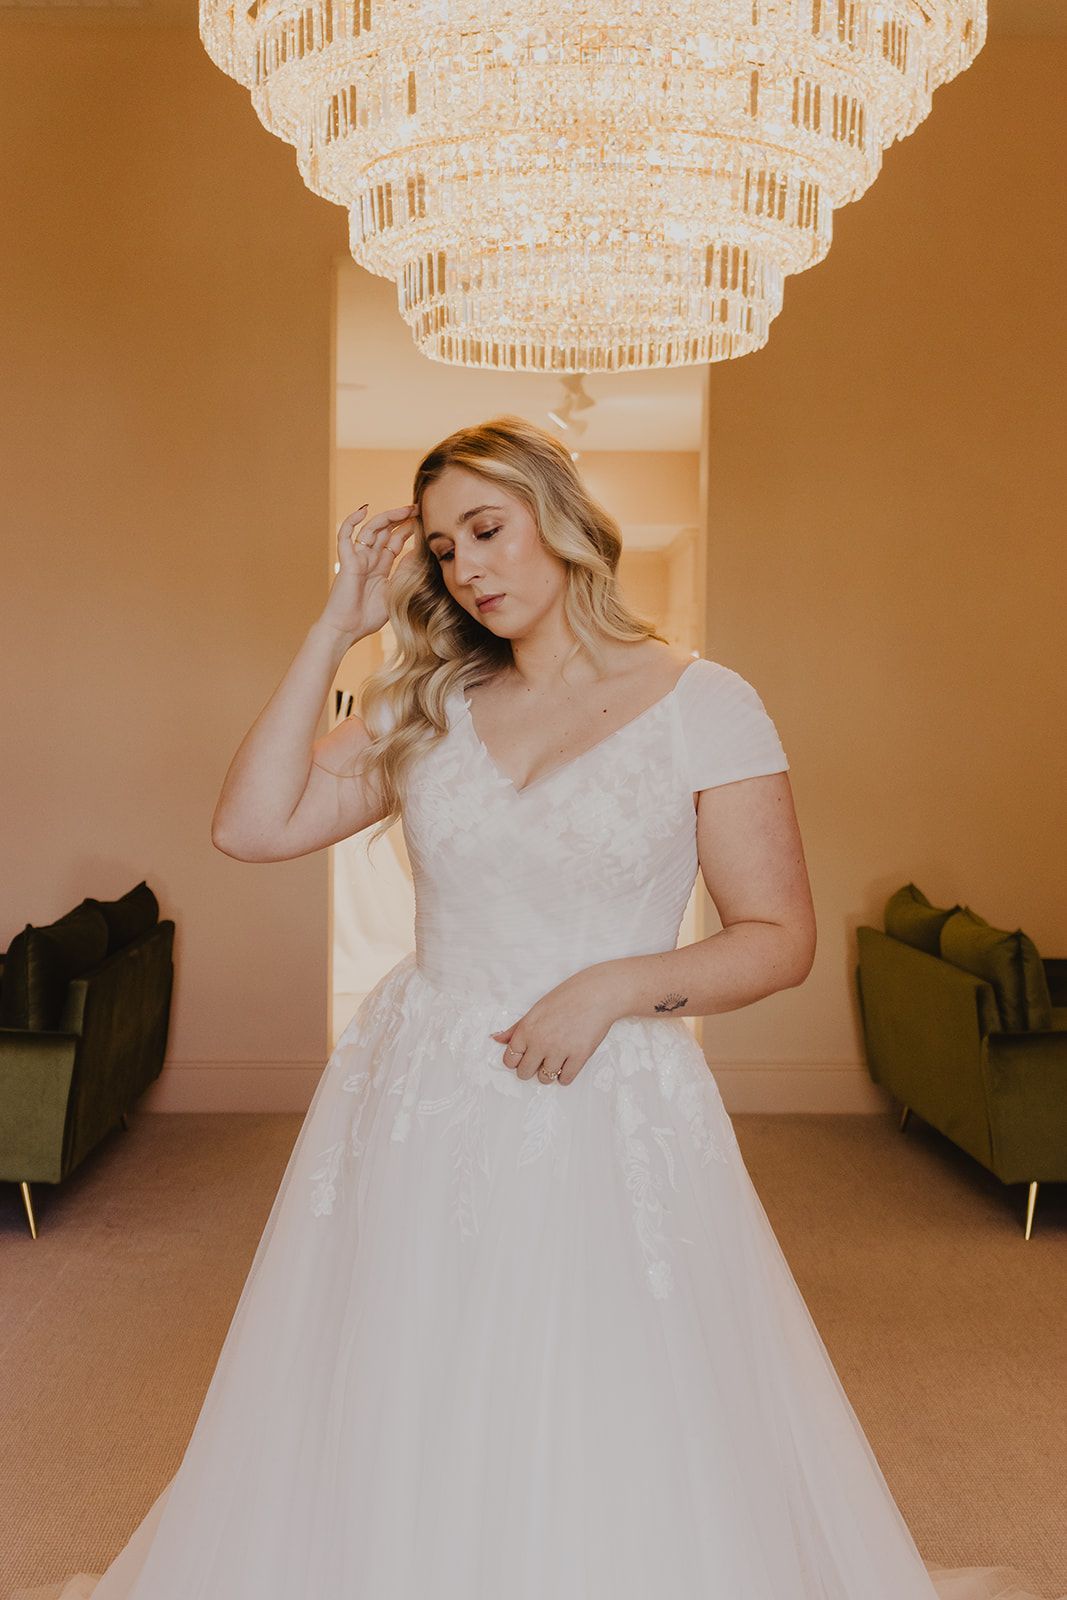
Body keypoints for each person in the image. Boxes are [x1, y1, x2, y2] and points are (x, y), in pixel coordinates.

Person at [22, 416, 1057, 1600]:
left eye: (488, 529)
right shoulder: (429, 702)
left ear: (561, 524)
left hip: (606, 1094)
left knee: (607, 1371)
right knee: (406, 1359)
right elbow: (249, 827)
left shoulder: (704, 701)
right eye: (447, 547)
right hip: (417, 1087)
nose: (468, 567)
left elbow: (779, 939)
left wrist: (612, 985)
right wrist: (334, 628)